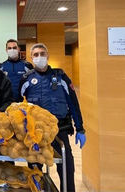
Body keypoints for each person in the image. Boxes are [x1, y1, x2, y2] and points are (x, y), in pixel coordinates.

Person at [20, 43, 86, 192]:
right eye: (36, 55)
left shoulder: (61, 76)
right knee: (35, 173)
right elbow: (18, 108)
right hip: (36, 134)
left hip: (59, 132)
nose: (39, 57)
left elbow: (73, 103)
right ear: (31, 58)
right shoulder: (26, 80)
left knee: (67, 170)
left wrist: (80, 128)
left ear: (48, 56)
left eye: (42, 54)